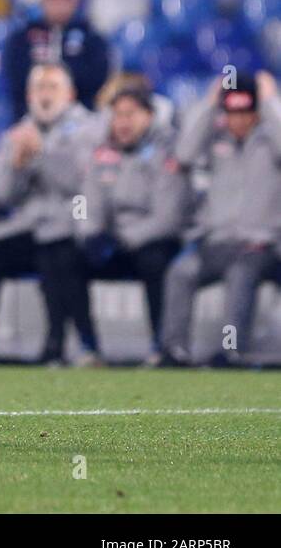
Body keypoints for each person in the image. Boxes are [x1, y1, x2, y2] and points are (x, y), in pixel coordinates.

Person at [0, 63, 104, 364]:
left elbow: (76, 183)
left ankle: (67, 345)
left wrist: (41, 155)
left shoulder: (89, 130)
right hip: (31, 226)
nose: (45, 95)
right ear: (29, 95)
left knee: (56, 252)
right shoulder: (18, 133)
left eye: (52, 87)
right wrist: (17, 165)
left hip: (76, 225)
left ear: (69, 94)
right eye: (39, 88)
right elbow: (4, 197)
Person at [158, 71, 281, 367]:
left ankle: (232, 350)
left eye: (246, 112)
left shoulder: (270, 141)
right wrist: (211, 102)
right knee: (180, 271)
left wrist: (270, 100)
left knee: (241, 271)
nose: (238, 119)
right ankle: (174, 351)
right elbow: (184, 154)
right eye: (232, 112)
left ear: (257, 112)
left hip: (261, 245)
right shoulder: (215, 139)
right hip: (216, 242)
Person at [74, 82, 189, 362]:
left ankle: (162, 347)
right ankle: (88, 348)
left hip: (152, 239)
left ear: (149, 116)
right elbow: (84, 202)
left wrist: (124, 239)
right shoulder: (102, 152)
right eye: (118, 115)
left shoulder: (167, 151)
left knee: (156, 261)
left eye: (130, 114)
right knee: (65, 257)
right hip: (113, 240)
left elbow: (168, 217)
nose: (123, 122)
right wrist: (90, 233)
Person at [2, 0, 110, 118]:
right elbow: (15, 77)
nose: (59, 4)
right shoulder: (23, 38)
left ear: (75, 1)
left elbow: (98, 77)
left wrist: (63, 79)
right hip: (30, 116)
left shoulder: (91, 38)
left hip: (81, 116)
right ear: (43, 0)